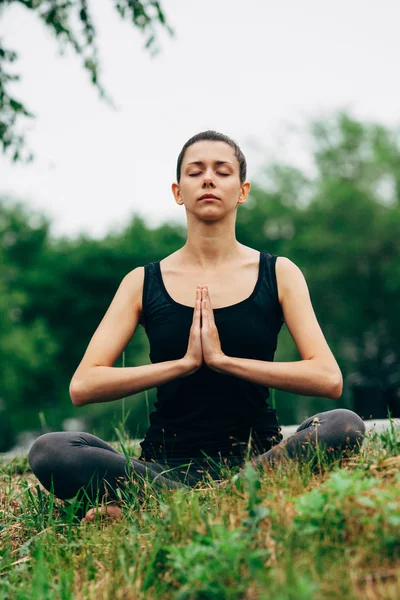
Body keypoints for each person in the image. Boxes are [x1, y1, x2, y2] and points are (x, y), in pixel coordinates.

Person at [28, 130, 366, 522]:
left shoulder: (279, 273)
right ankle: (214, 500)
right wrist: (183, 364)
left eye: (222, 171)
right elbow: (83, 385)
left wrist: (224, 361)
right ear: (178, 191)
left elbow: (328, 378)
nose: (208, 179)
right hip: (162, 467)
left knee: (343, 425)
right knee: (50, 451)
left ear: (242, 190)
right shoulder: (142, 281)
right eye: (196, 171)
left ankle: (173, 506)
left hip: (258, 458)